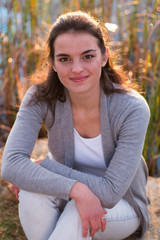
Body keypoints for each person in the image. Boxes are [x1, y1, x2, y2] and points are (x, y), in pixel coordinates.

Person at [1, 11, 150, 240]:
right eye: (64, 59)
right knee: (32, 195)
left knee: (75, 212)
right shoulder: (41, 97)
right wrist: (76, 190)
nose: (77, 69)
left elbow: (110, 193)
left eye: (87, 56)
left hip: (121, 206)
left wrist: (46, 166)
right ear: (52, 62)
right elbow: (10, 165)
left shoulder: (132, 108)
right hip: (69, 194)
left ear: (104, 57)